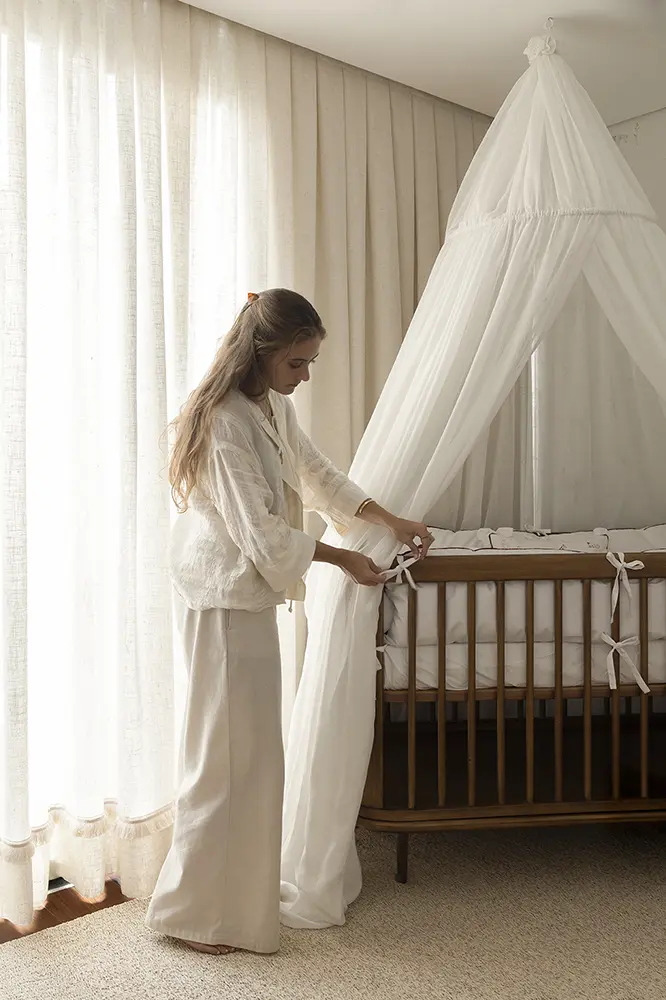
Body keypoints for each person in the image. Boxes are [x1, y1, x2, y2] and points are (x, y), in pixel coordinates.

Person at [145, 288, 433, 956]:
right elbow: (263, 534)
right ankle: (195, 914)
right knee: (225, 760)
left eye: (310, 363)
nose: (304, 377)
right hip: (222, 600)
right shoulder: (224, 423)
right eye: (297, 363)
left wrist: (388, 520)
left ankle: (227, 904)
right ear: (262, 353)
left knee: (249, 758)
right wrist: (344, 558)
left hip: (245, 599)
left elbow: (315, 473)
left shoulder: (269, 405)